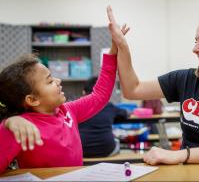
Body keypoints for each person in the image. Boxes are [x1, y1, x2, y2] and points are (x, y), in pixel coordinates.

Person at [107, 6, 199, 165]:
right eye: (195, 41)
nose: (195, 49)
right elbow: (133, 90)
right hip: (189, 173)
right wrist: (122, 46)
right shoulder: (185, 79)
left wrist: (180, 155)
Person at [0, 19, 130, 173]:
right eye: (49, 81)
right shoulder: (20, 127)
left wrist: (113, 51)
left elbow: (100, 95)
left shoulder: (67, 110)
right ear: (32, 99)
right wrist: (6, 124)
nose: (58, 80)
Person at [79, 76, 128, 158]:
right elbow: (124, 114)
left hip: (82, 151)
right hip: (106, 150)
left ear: (84, 92)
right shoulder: (108, 106)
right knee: (117, 141)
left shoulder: (77, 107)